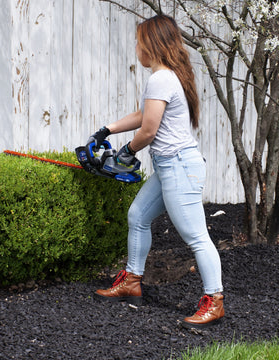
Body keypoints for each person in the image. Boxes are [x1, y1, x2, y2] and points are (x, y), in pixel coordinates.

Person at [87, 14, 224, 329]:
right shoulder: (167, 76)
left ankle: (214, 301)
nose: (136, 47)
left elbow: (148, 130)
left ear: (151, 44)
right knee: (138, 217)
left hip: (179, 166)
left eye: (139, 41)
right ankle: (131, 281)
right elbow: (144, 114)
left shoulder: (161, 78)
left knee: (196, 237)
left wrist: (127, 151)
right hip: (169, 167)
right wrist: (106, 130)